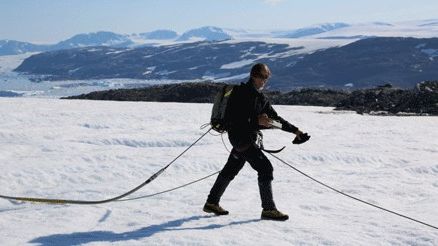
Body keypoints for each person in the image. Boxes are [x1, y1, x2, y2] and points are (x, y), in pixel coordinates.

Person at [203, 63, 306, 221]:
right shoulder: (240, 93)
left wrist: (295, 131)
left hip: (245, 139)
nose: (265, 80)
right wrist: (255, 120)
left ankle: (211, 202)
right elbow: (233, 119)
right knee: (265, 169)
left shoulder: (261, 98)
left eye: (267, 77)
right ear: (254, 76)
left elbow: (275, 119)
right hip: (240, 138)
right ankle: (268, 209)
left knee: (231, 169)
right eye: (263, 77)